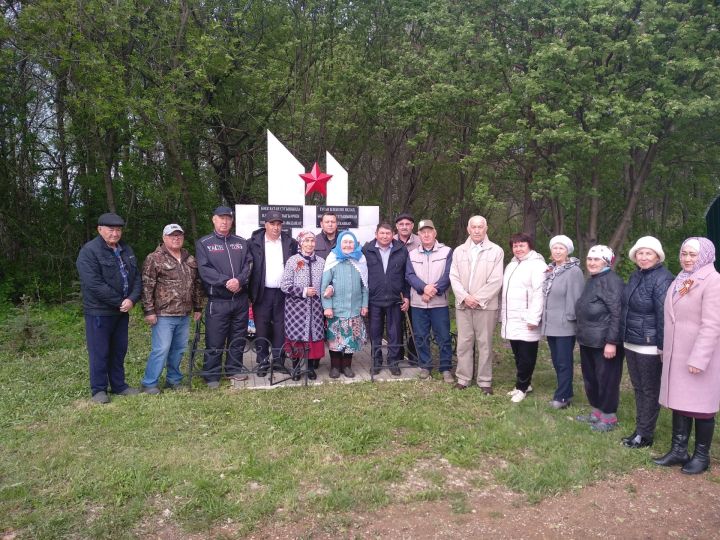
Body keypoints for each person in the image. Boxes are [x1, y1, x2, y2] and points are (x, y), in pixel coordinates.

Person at [654, 237, 720, 474]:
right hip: (678, 353)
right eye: (684, 254)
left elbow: (712, 324)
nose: (687, 258)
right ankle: (679, 450)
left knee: (701, 407)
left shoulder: (713, 281)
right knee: (681, 403)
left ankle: (702, 456)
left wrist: (699, 359)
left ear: (704, 256)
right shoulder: (682, 279)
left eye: (692, 254)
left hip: (699, 356)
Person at [76, 212, 141, 404]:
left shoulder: (126, 249)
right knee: (100, 351)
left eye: (118, 229)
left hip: (122, 311)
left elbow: (136, 277)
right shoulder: (89, 251)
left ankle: (119, 385)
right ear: (100, 230)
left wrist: (132, 299)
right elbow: (93, 284)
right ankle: (99, 390)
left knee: (119, 350)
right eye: (111, 229)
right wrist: (119, 301)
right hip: (100, 312)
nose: (115, 233)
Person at [619, 236, 674, 448]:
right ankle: (639, 429)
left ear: (658, 256)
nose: (643, 257)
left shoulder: (663, 278)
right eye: (640, 253)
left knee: (649, 389)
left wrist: (662, 345)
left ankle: (645, 435)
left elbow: (664, 316)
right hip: (631, 341)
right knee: (638, 387)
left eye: (648, 253)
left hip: (649, 345)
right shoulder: (636, 276)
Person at [140, 224, 204, 394]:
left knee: (179, 349)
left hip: (184, 313)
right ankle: (149, 383)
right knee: (161, 349)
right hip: (163, 314)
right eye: (172, 235)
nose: (176, 238)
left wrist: (198, 307)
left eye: (179, 235)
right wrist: (149, 311)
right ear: (164, 238)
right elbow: (147, 286)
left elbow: (197, 285)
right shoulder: (154, 258)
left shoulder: (190, 259)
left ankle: (173, 380)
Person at [195, 206, 254, 388]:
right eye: (221, 218)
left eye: (228, 218)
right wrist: (226, 281)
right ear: (213, 219)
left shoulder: (241, 242)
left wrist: (240, 280)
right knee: (215, 339)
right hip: (218, 300)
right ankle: (211, 374)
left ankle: (233, 369)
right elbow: (204, 270)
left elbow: (249, 264)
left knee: (237, 337)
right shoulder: (204, 243)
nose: (225, 222)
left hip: (240, 300)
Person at [449, 216, 504, 394]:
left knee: (484, 343)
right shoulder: (459, 251)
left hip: (485, 306)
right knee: (464, 343)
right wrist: (465, 297)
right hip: (463, 305)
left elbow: (496, 281)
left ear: (486, 228)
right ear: (468, 229)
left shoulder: (496, 251)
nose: (477, 230)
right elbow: (454, 277)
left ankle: (484, 380)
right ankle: (463, 378)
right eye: (474, 227)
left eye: (480, 227)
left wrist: (477, 299)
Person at [574, 245, 625, 432]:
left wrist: (612, 342)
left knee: (607, 379)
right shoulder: (593, 280)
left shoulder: (612, 282)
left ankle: (609, 416)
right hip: (588, 340)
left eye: (596, 260)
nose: (592, 263)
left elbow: (617, 314)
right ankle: (596, 412)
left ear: (606, 262)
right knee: (591, 378)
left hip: (605, 342)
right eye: (589, 259)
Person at [249, 210, 298, 376]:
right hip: (262, 292)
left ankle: (278, 361)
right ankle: (262, 362)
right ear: (265, 225)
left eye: (278, 224)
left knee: (280, 328)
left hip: (283, 293)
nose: (276, 227)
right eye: (272, 224)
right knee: (261, 328)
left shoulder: (290, 242)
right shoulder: (253, 242)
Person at [405, 219, 454, 383]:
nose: (426, 234)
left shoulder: (447, 252)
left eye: (429, 231)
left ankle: (446, 368)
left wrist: (433, 290)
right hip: (419, 303)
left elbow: (448, 275)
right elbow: (409, 275)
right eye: (423, 232)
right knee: (421, 336)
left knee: (443, 336)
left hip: (439, 303)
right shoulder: (411, 254)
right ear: (418, 235)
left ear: (435, 233)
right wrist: (424, 288)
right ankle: (425, 366)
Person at [501, 233, 546, 403]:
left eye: (522, 245)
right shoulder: (511, 265)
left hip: (527, 318)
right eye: (515, 246)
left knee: (527, 355)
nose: (518, 249)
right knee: (518, 354)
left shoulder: (537, 265)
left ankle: (522, 387)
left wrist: (533, 318)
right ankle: (525, 383)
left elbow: (539, 293)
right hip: (512, 318)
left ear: (529, 246)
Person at [540, 235, 585, 409]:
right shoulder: (550, 269)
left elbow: (576, 298)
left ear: (567, 251)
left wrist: (571, 320)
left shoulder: (573, 271)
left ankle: (563, 397)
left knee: (564, 361)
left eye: (562, 248)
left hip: (565, 324)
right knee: (557, 360)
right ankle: (565, 391)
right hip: (551, 323)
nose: (558, 251)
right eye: (555, 248)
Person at [363, 222, 410, 376]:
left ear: (392, 235)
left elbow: (407, 275)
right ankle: (376, 361)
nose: (384, 236)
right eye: (381, 233)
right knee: (375, 333)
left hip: (395, 299)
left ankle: (393, 361)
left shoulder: (401, 250)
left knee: (394, 332)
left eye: (388, 233)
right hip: (374, 299)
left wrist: (407, 296)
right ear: (376, 234)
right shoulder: (367, 250)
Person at [321, 230, 369, 378]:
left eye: (350, 243)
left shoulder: (360, 260)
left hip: (354, 309)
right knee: (335, 340)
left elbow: (365, 286)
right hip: (336, 309)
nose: (348, 245)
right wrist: (327, 306)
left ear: (354, 244)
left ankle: (347, 366)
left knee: (351, 341)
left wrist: (364, 305)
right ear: (340, 244)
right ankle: (335, 367)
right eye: (345, 242)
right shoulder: (332, 259)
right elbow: (324, 286)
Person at [280, 230, 326, 380]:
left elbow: (326, 282)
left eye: (312, 241)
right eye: (306, 241)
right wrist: (304, 291)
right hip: (296, 309)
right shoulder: (292, 261)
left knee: (312, 338)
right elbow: (285, 285)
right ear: (300, 243)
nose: (310, 244)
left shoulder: (321, 262)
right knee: (297, 338)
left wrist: (329, 288)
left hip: (315, 308)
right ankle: (296, 369)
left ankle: (310, 368)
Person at [394, 212, 420, 364]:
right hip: (395, 288)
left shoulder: (419, 241)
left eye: (407, 224)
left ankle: (414, 355)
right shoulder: (390, 240)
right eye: (401, 224)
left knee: (414, 324)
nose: (404, 227)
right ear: (396, 226)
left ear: (412, 226)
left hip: (415, 288)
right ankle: (397, 355)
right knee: (396, 323)